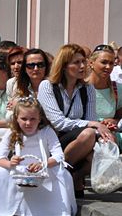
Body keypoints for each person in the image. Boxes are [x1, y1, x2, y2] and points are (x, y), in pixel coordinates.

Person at [38, 44, 113, 196]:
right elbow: (58, 122)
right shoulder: (48, 86)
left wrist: (103, 134)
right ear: (64, 66)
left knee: (101, 150)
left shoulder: (88, 89)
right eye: (76, 62)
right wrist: (93, 125)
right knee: (88, 134)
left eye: (83, 62)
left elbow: (91, 119)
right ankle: (61, 171)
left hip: (78, 138)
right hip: (53, 138)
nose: (82, 66)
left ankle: (73, 177)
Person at [0, 97, 76, 216]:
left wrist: (43, 164)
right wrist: (10, 163)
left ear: (39, 118)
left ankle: (53, 210)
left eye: (32, 119)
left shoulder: (46, 132)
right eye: (24, 119)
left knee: (63, 174)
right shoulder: (12, 133)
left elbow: (58, 155)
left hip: (42, 169)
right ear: (16, 118)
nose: (28, 123)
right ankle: (5, 208)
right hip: (18, 170)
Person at [86, 44, 122, 147]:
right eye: (104, 62)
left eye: (111, 63)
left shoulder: (118, 89)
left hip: (112, 137)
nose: (108, 67)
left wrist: (114, 121)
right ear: (91, 63)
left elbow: (120, 117)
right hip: (89, 136)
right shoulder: (81, 88)